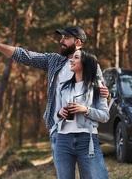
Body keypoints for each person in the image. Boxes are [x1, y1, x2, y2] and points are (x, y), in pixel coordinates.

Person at [0, 26, 109, 176]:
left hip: (86, 133)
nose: (61, 41)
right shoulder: (53, 60)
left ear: (77, 42)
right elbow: (25, 55)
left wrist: (104, 93)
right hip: (60, 132)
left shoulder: (92, 65)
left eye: (66, 38)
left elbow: (100, 93)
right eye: (61, 37)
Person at [54, 49, 109, 179]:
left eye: (76, 57)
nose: (71, 60)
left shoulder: (97, 87)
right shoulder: (63, 87)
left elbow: (105, 116)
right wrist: (60, 113)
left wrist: (85, 110)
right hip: (63, 140)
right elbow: (56, 115)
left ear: (85, 62)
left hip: (87, 140)